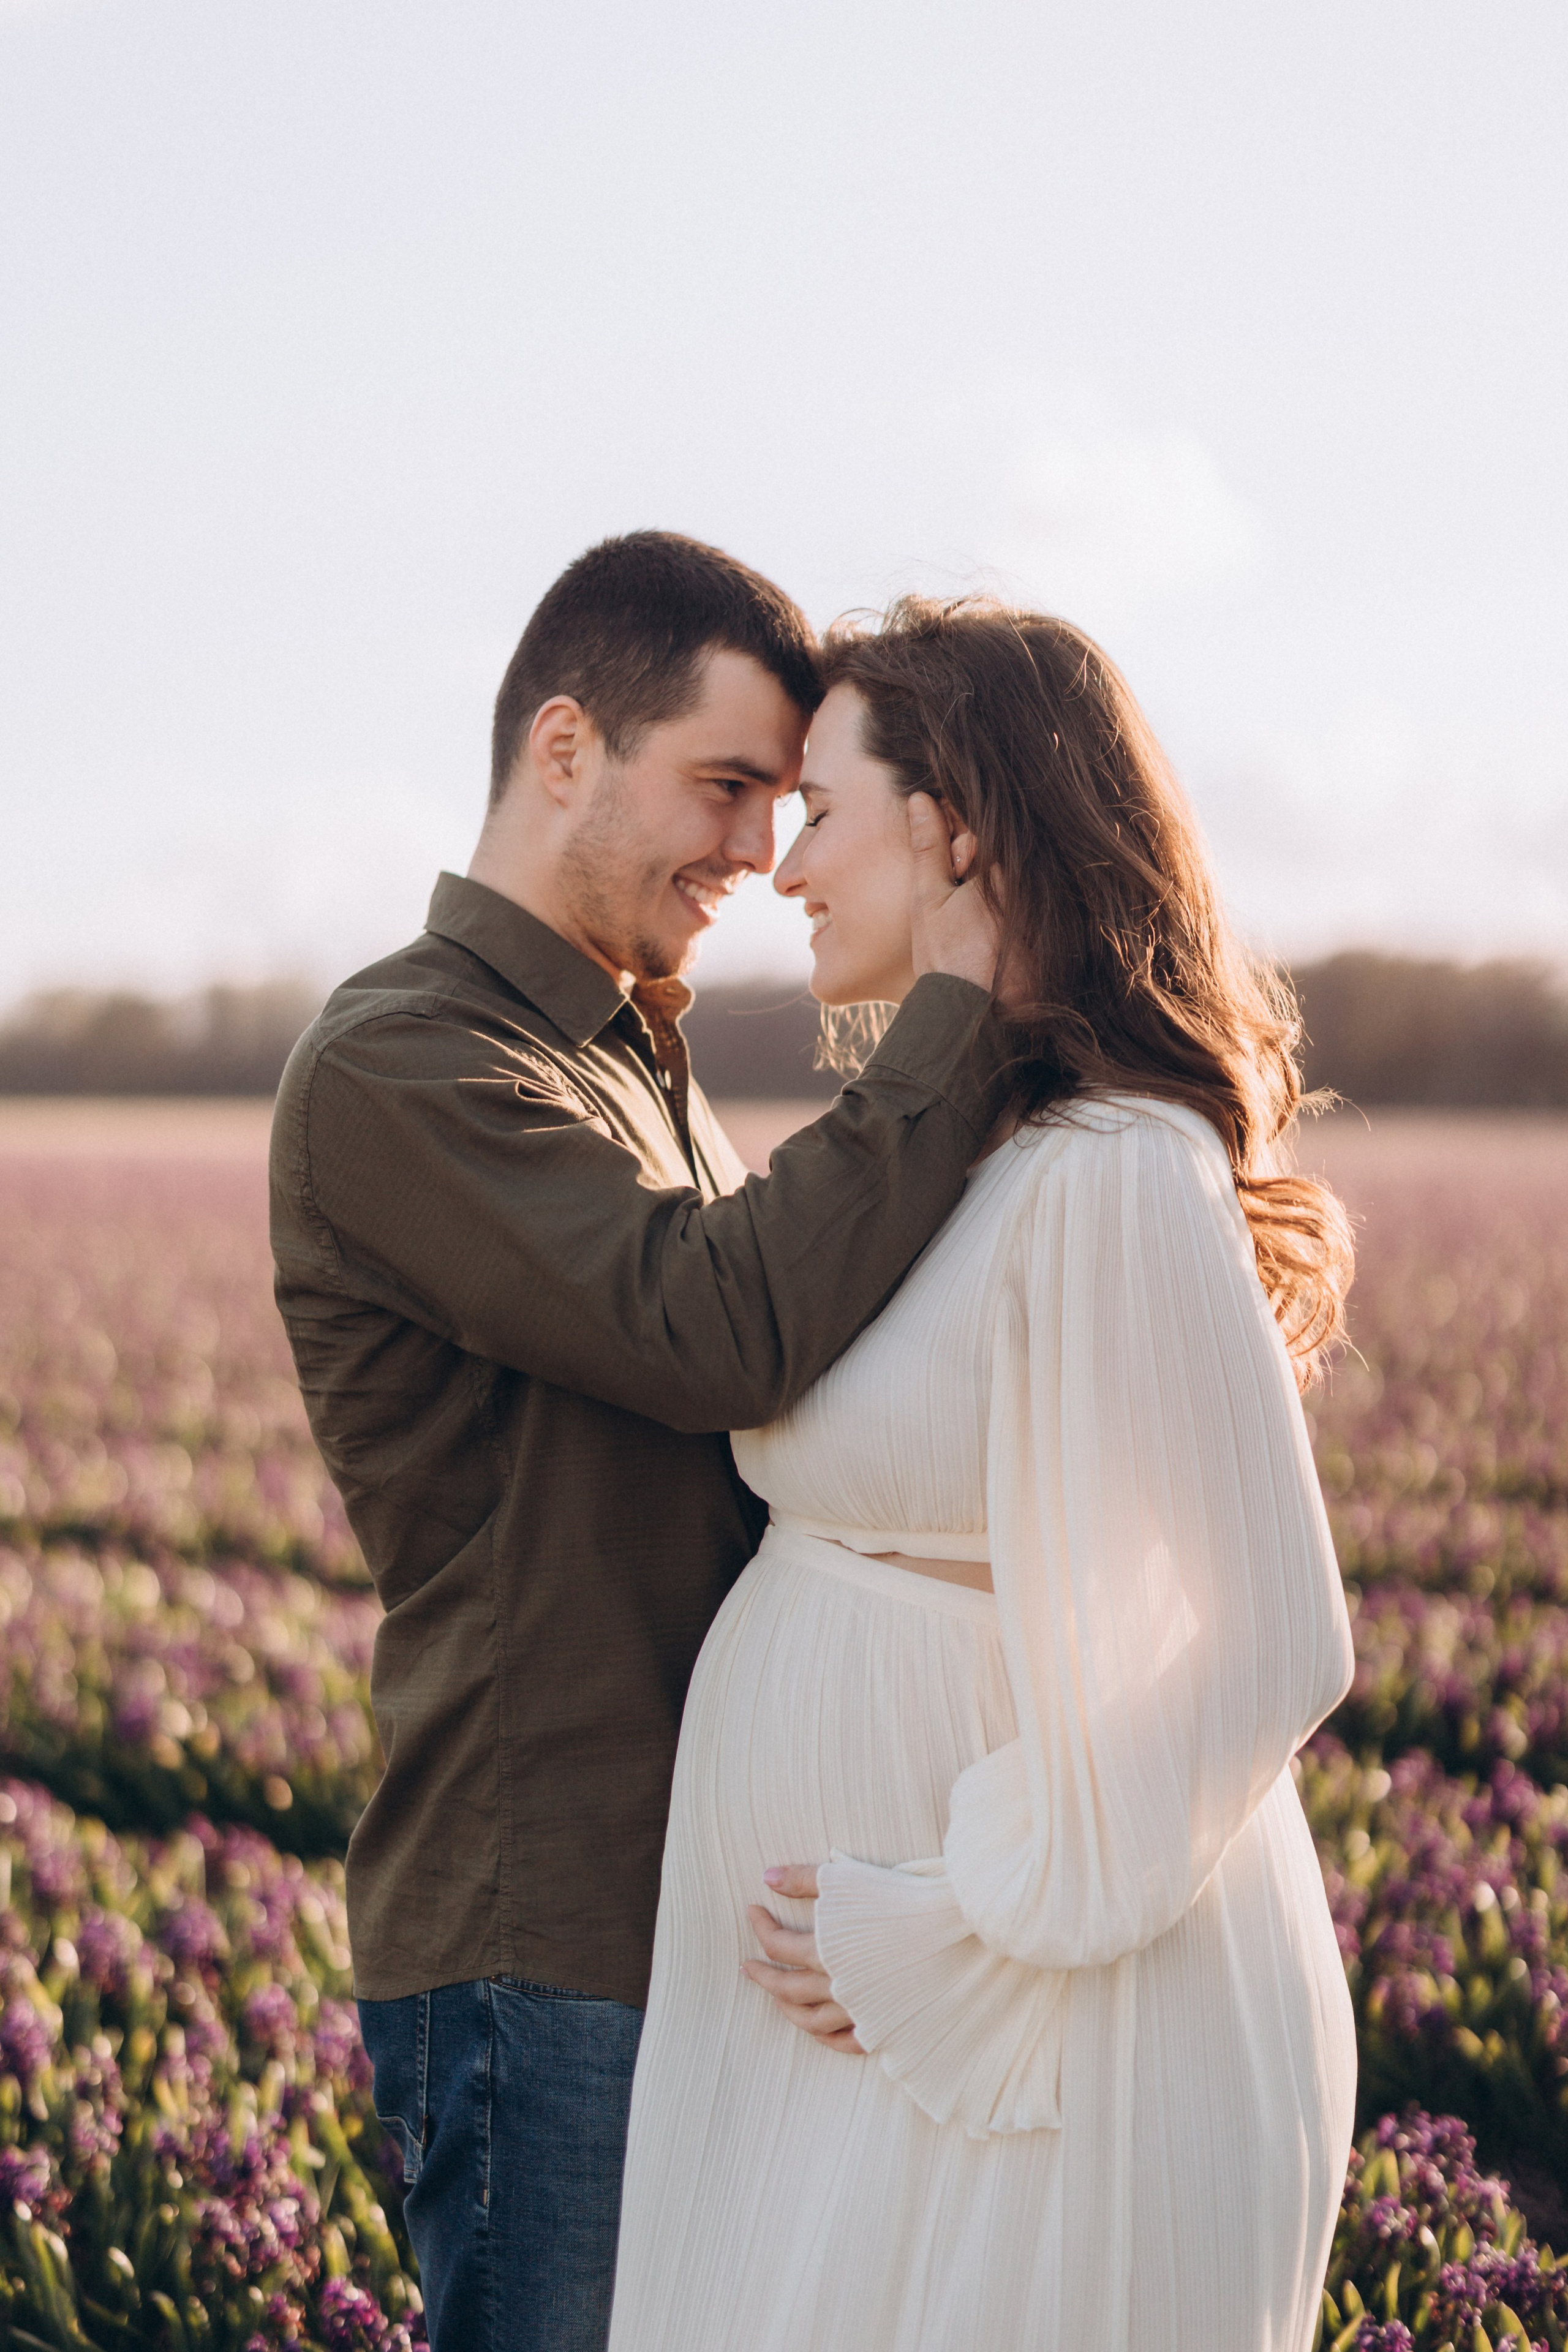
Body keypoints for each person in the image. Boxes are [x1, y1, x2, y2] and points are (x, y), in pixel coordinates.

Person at [268, 533, 1003, 2352]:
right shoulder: (403, 1060)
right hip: (549, 1933)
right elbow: (714, 1324)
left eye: (784, 802)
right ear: (571, 747)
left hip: (688, 1910)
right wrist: (966, 1009)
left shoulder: (629, 1059)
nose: (760, 854)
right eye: (730, 786)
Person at [608, 596, 1360, 2352]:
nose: (786, 870)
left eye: (826, 809)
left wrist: (967, 1926)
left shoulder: (1116, 1167)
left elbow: (1276, 1636)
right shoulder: (960, 1154)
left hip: (1019, 2029)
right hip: (869, 2035)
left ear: (959, 828)